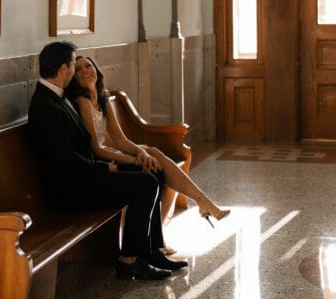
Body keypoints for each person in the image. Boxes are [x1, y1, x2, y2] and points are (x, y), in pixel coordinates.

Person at [28, 41, 188, 281]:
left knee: (154, 174)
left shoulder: (56, 97)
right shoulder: (45, 106)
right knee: (145, 184)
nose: (75, 71)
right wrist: (107, 168)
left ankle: (152, 250)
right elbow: (64, 160)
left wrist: (117, 163)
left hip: (84, 176)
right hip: (70, 190)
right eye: (73, 66)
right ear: (63, 69)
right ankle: (129, 261)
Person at [66, 55, 230, 230]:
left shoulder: (102, 98)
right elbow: (97, 149)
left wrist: (141, 153)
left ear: (96, 69)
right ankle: (200, 203)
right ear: (73, 78)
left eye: (88, 66)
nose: (85, 71)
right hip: (99, 160)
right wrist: (135, 159)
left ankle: (200, 202)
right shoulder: (82, 102)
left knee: (151, 152)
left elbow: (121, 141)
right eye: (78, 69)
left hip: (109, 152)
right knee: (153, 166)